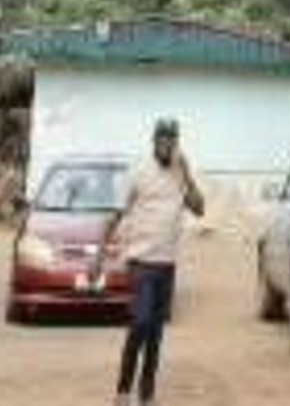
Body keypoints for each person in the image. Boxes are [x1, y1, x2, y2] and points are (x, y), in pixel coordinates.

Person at [102, 117, 204, 406]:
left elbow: (200, 208)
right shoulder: (139, 172)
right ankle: (123, 391)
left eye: (172, 139)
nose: (167, 144)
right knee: (141, 323)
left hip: (167, 265)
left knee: (157, 334)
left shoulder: (179, 175)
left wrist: (187, 173)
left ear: (176, 142)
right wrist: (100, 254)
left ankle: (147, 395)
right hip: (141, 263)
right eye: (163, 138)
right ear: (154, 141)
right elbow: (117, 214)